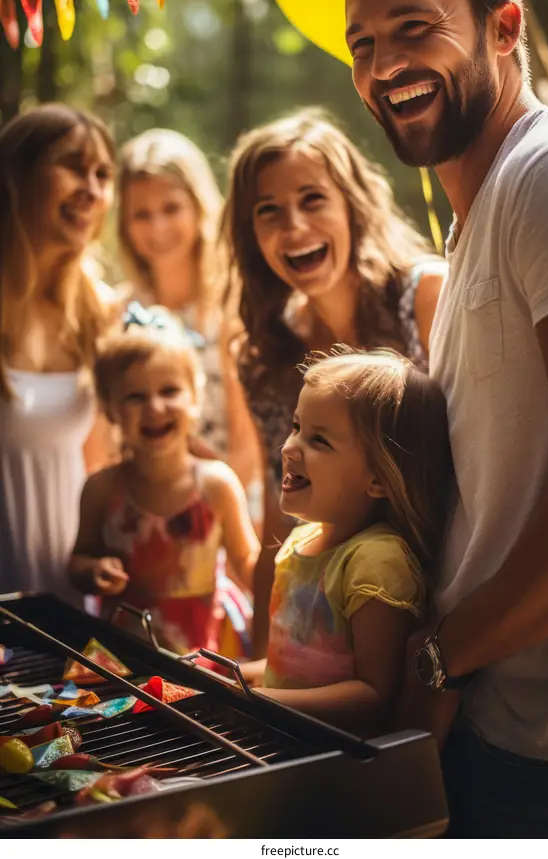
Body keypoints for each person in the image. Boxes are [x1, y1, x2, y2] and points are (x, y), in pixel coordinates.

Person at [343, 0, 548, 837]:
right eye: (364, 43)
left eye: (415, 30)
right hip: (489, 730)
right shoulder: (484, 208)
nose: (384, 66)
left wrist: (439, 659)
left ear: (504, 26)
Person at [221, 108, 447, 656]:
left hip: (448, 607)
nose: (294, 227)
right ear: (251, 236)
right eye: (268, 211)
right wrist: (256, 663)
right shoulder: (261, 358)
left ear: (353, 203)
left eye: (312, 199)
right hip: (331, 632)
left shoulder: (426, 297)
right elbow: (281, 518)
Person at [244, 347, 454, 734]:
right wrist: (233, 675)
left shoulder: (375, 561)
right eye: (296, 427)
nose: (288, 448)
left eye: (319, 441)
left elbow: (373, 696)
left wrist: (254, 700)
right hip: (282, 742)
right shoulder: (299, 541)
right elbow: (295, 667)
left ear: (378, 479)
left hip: (331, 766)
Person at [68, 307, 260, 656]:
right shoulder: (101, 489)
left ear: (195, 400)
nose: (154, 407)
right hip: (122, 660)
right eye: (135, 397)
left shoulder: (217, 485)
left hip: (202, 658)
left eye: (169, 390)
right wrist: (93, 570)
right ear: (110, 410)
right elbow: (78, 560)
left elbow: (248, 563)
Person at [0, 103, 115, 605]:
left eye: (103, 174)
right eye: (73, 165)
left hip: (70, 593)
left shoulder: (98, 308)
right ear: (16, 173)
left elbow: (101, 463)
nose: (92, 189)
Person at [117, 128, 260, 492]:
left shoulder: (233, 305)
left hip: (227, 503)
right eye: (142, 215)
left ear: (198, 206)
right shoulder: (119, 312)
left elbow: (247, 444)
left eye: (171, 208)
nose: (158, 226)